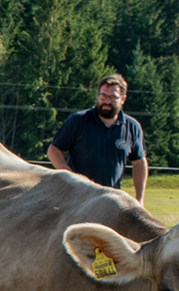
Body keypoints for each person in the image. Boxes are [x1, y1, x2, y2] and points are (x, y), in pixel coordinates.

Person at [47, 73, 149, 204]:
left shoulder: (132, 127)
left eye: (113, 97)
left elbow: (139, 162)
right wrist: (72, 178)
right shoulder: (78, 120)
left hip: (111, 201)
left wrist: (139, 199)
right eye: (103, 96)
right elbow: (53, 150)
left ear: (123, 99)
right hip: (76, 198)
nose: (107, 102)